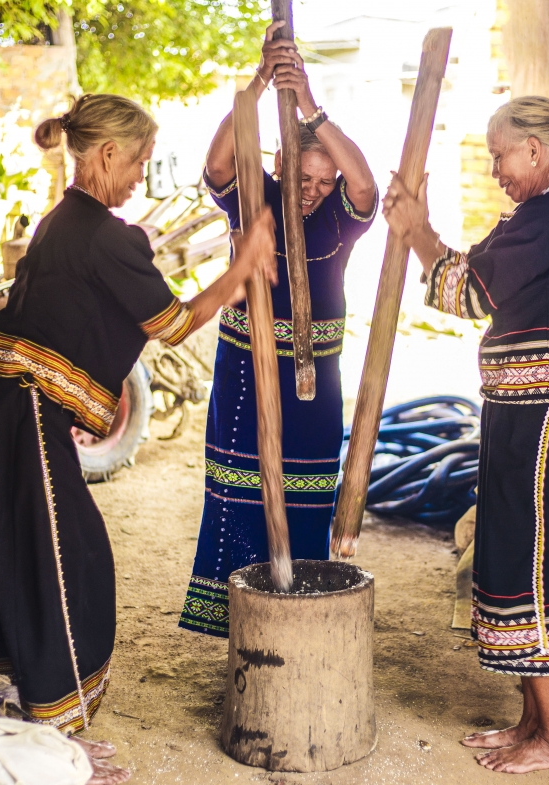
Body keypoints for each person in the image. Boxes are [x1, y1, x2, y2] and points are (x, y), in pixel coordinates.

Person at [0, 93, 277, 785]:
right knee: (66, 566)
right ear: (104, 155)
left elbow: (90, 305)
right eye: (136, 161)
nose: (139, 175)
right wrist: (243, 264)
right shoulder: (101, 233)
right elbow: (170, 324)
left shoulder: (66, 223)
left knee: (15, 554)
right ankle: (55, 738)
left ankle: (26, 719)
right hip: (21, 409)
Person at [382, 96, 549, 774]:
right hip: (520, 415)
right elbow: (468, 274)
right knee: (511, 557)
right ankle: (531, 721)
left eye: (500, 153)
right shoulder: (539, 216)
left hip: (543, 421)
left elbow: (469, 291)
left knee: (535, 569)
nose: (494, 168)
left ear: (536, 150)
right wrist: (423, 234)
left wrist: (417, 230)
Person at [179, 22, 377, 636]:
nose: (315, 192)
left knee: (309, 494)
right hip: (245, 371)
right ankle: (240, 624)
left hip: (314, 385)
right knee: (239, 498)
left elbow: (365, 184)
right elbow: (215, 164)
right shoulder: (256, 194)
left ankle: (300, 619)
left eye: (324, 182)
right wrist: (259, 85)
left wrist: (312, 107)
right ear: (281, 163)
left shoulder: (341, 219)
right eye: (305, 178)